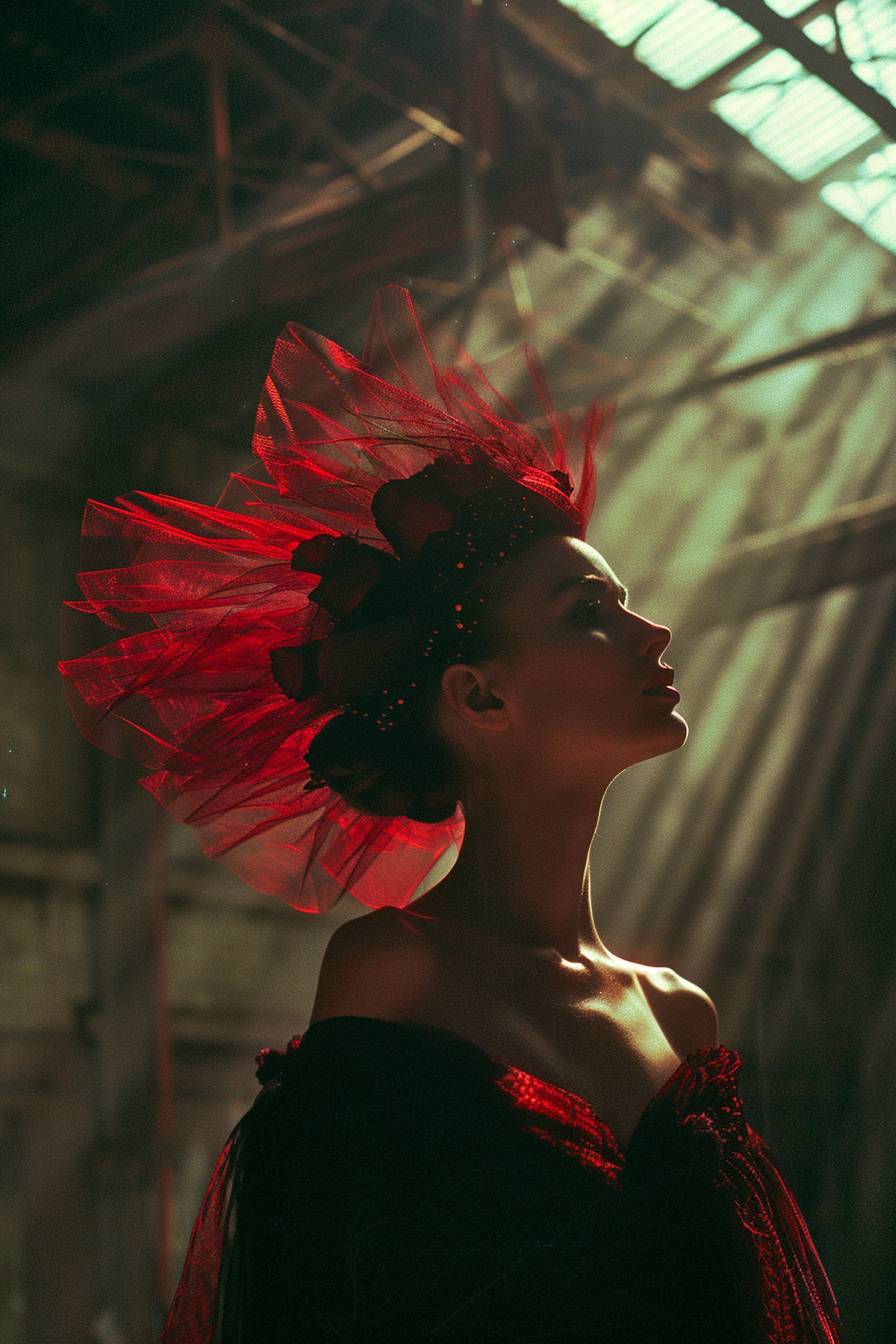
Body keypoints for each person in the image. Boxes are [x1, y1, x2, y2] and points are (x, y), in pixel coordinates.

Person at [59, 287, 843, 1343]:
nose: (653, 632)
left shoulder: (679, 1018)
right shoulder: (395, 968)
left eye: (621, 603)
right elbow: (315, 1307)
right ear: (478, 697)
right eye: (588, 614)